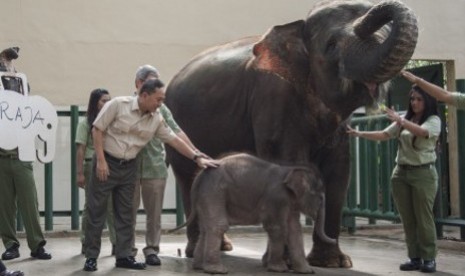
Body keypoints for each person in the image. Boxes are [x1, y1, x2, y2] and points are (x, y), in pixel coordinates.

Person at [82, 78, 218, 272]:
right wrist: (101, 161)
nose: (160, 104)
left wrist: (197, 157)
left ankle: (123, 256)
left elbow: (173, 139)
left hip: (129, 167)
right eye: (158, 99)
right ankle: (91, 257)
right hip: (106, 163)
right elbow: (97, 129)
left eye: (162, 100)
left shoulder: (156, 118)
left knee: (126, 215)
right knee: (97, 212)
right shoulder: (118, 105)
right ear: (144, 95)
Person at [347, 85, 441, 273]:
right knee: (407, 219)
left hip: (423, 174)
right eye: (412, 99)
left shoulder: (433, 120)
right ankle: (414, 257)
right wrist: (360, 133)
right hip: (401, 173)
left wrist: (401, 121)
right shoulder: (406, 119)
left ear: (427, 101)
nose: (414, 102)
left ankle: (429, 258)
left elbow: (422, 132)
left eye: (419, 99)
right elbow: (384, 134)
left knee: (424, 218)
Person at [0, 46, 52, 261]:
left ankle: (36, 244)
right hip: (2, 157)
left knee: (30, 203)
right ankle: (10, 244)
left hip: (22, 156)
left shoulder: (25, 98)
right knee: (4, 206)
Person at [75, 88, 116, 255]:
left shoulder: (112, 121)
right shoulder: (85, 123)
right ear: (95, 103)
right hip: (91, 165)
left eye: (109, 100)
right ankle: (86, 242)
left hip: (109, 165)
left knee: (112, 206)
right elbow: (80, 149)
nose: (107, 103)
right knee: (92, 206)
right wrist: (79, 173)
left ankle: (116, 243)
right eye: (103, 101)